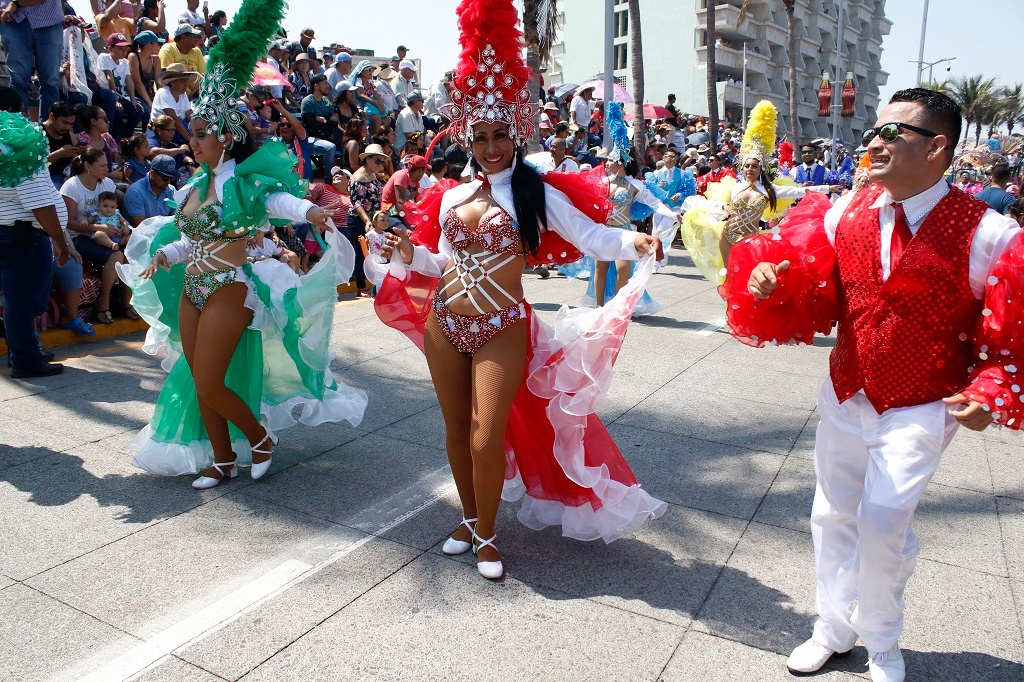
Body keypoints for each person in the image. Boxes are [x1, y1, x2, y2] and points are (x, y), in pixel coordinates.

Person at [723, 88, 1022, 682]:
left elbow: (1011, 334)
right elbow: (813, 286)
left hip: (923, 402)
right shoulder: (843, 212)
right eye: (872, 133)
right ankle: (832, 628)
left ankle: (882, 637)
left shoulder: (991, 234)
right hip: (846, 390)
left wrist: (991, 391)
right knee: (831, 514)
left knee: (884, 520)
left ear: (937, 147)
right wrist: (770, 280)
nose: (875, 144)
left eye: (893, 133)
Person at [373, 0, 667, 581]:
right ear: (466, 135)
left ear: (515, 131)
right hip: (445, 322)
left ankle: (486, 534)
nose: (489, 147)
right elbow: (439, 258)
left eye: (498, 135)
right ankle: (474, 518)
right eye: (478, 136)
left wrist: (635, 242)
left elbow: (591, 236)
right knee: (456, 430)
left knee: (486, 431)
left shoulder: (534, 192)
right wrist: (407, 253)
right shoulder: (453, 196)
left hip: (501, 325)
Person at [117, 0, 366, 489]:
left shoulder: (243, 183)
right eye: (196, 132)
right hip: (192, 285)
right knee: (196, 377)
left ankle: (259, 438)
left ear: (227, 137)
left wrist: (310, 211)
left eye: (205, 133)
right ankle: (223, 459)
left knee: (210, 381)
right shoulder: (192, 186)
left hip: (230, 286)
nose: (196, 139)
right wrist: (166, 255)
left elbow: (279, 202)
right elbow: (193, 241)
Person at [680, 101, 836, 285]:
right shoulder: (734, 187)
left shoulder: (770, 189)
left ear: (760, 169)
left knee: (747, 278)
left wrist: (827, 188)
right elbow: (712, 204)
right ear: (743, 168)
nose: (750, 169)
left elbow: (799, 191)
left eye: (754, 166)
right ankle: (731, 310)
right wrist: (724, 206)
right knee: (729, 278)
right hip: (727, 236)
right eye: (747, 166)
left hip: (751, 240)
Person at [0, 103, 70, 378]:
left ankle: (23, 351)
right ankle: (26, 360)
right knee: (25, 300)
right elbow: (38, 201)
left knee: (18, 299)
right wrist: (60, 239)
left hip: (9, 231)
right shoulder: (21, 143)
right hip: (22, 234)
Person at [61, 148, 135, 322]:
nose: (106, 169)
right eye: (101, 165)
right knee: (116, 255)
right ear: (87, 166)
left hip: (109, 233)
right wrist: (96, 227)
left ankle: (128, 299)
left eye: (106, 165)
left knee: (131, 254)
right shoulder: (72, 186)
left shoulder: (107, 183)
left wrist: (125, 226)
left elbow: (116, 212)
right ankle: (104, 302)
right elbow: (69, 222)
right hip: (81, 237)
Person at [0, 0, 62, 121]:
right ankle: (19, 132)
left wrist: (16, 3)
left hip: (48, 20)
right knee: (17, 82)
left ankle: (50, 134)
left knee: (50, 83)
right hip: (11, 20)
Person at [346, 142, 386, 297]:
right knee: (361, 252)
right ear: (367, 159)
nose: (380, 165)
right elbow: (356, 203)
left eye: (382, 162)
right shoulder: (357, 177)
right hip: (358, 220)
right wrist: (367, 221)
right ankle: (361, 286)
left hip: (373, 219)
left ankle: (378, 282)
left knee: (376, 250)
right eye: (377, 161)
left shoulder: (372, 175)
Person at [98, 32, 143, 139]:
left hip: (121, 96)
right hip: (107, 96)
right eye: (120, 48)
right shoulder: (104, 57)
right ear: (110, 48)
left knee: (138, 111)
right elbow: (109, 77)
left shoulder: (125, 62)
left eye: (125, 49)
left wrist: (133, 101)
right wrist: (116, 100)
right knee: (118, 111)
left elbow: (129, 81)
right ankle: (111, 139)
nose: (124, 51)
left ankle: (124, 138)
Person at [299, 72, 338, 175]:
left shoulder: (326, 102)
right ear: (316, 85)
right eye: (325, 83)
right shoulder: (308, 102)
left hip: (326, 136)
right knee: (330, 148)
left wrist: (323, 120)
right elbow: (312, 125)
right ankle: (328, 180)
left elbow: (334, 122)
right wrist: (327, 121)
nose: (327, 86)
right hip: (310, 138)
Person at [123, 153, 175, 226]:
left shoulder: (171, 190)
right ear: (152, 173)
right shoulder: (135, 192)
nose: (169, 182)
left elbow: (175, 219)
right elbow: (142, 227)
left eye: (172, 178)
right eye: (165, 178)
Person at [151, 63, 196, 143]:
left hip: (179, 126)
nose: (186, 84)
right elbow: (174, 119)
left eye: (187, 81)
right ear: (173, 82)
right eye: (183, 81)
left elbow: (190, 116)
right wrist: (190, 139)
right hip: (163, 129)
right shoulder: (163, 92)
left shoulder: (183, 95)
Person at [42, 101, 83, 189]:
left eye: (71, 124)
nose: (68, 128)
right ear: (52, 117)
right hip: (45, 180)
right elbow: (35, 165)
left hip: (66, 177)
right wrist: (59, 153)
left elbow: (74, 160)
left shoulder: (69, 135)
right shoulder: (38, 134)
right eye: (64, 123)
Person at [159, 24, 205, 95]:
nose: (196, 39)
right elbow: (166, 78)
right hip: (171, 94)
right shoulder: (168, 49)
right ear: (184, 37)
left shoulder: (196, 51)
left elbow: (203, 76)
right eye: (193, 36)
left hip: (192, 96)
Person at [129, 30, 164, 118]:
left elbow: (159, 82)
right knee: (147, 110)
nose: (159, 46)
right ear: (149, 45)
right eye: (157, 43)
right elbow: (137, 82)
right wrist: (149, 103)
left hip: (149, 94)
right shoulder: (133, 56)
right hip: (133, 95)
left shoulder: (156, 60)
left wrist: (161, 100)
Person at [381, 153, 426, 222]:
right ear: (420, 170)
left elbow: (417, 201)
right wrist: (408, 226)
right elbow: (400, 203)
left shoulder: (416, 182)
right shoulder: (401, 176)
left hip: (402, 213)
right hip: (388, 213)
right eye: (424, 170)